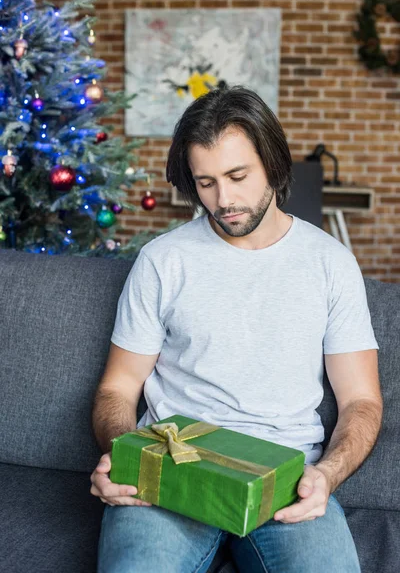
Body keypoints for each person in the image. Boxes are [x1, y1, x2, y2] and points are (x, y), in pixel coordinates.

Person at [90, 86, 383, 573]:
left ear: (272, 163)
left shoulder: (331, 263)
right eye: (205, 183)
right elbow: (117, 387)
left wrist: (326, 476)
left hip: (285, 477)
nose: (223, 200)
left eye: (237, 176)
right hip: (170, 470)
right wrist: (125, 456)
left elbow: (362, 402)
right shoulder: (163, 261)